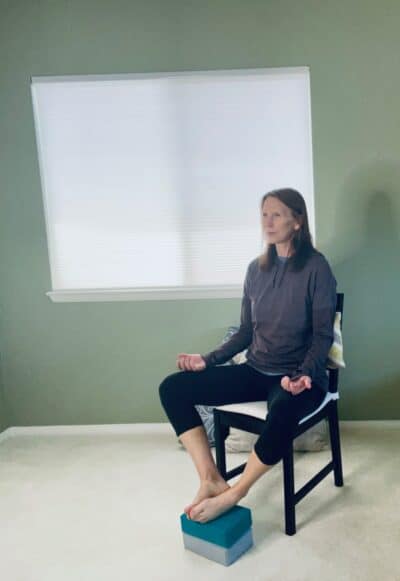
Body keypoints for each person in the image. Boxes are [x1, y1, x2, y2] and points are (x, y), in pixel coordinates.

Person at [159, 188, 337, 524]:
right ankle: (210, 478)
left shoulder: (317, 268)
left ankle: (236, 492)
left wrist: (303, 375)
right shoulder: (256, 269)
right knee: (173, 388)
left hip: (301, 378)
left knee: (282, 408)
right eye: (264, 214)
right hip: (256, 370)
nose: (267, 222)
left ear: (297, 221)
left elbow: (322, 335)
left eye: (277, 214)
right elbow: (245, 331)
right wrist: (207, 360)